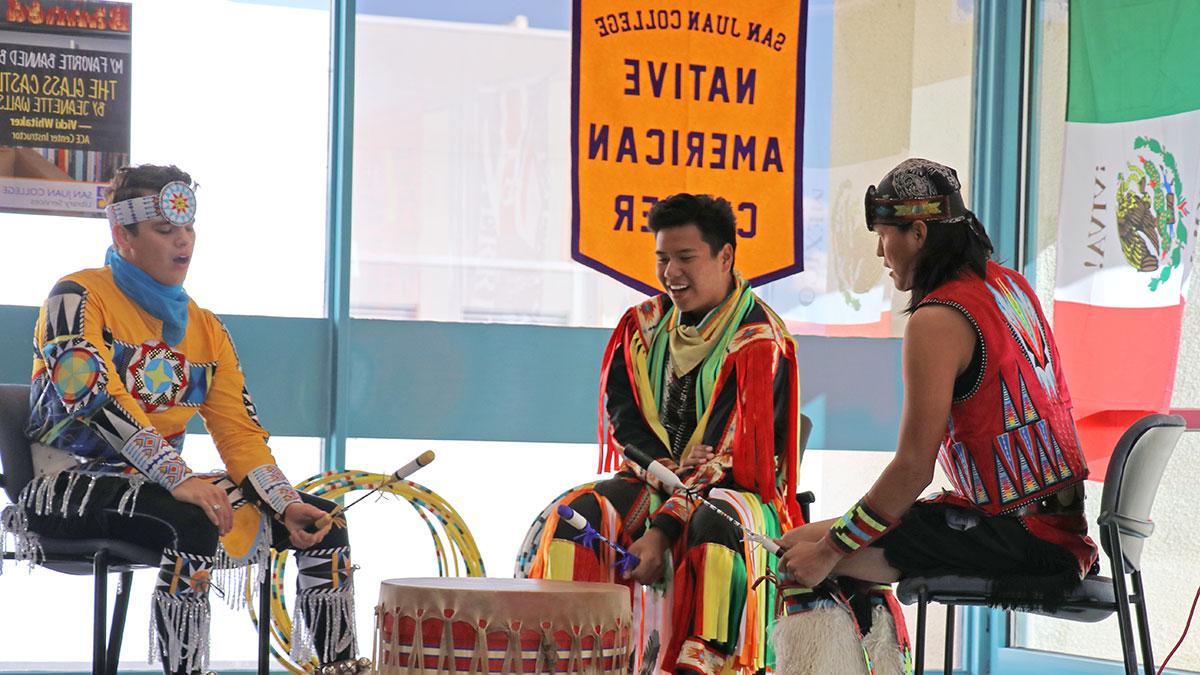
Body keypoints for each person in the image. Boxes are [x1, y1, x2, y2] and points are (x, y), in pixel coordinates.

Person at [2, 165, 364, 674]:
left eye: (188, 229)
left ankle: (339, 667)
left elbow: (239, 434)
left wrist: (282, 503)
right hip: (63, 484)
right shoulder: (76, 296)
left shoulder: (207, 330)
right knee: (194, 516)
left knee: (324, 521)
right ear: (121, 235)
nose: (183, 242)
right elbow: (88, 397)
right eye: (164, 230)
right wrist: (178, 476)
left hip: (157, 485)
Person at [776, 158, 1098, 644]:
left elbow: (912, 470)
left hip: (1019, 539)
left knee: (796, 560)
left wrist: (828, 553)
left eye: (885, 235)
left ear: (919, 234)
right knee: (797, 542)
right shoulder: (1007, 283)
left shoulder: (937, 319)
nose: (881, 253)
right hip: (1053, 531)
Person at [530, 193, 804, 675]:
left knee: (714, 525)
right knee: (580, 513)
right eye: (663, 258)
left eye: (685, 258)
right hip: (658, 479)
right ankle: (571, 656)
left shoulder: (759, 339)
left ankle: (707, 663)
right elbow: (625, 425)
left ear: (725, 256)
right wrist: (665, 469)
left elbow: (726, 455)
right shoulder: (642, 327)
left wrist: (662, 531)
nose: (671, 272)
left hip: (737, 491)